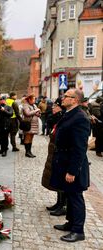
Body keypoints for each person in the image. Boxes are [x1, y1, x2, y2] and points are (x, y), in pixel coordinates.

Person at [50, 88, 90, 243]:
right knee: (69, 194)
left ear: (74, 100)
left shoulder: (80, 118)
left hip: (73, 165)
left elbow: (80, 148)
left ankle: (78, 230)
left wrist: (72, 171)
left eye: (66, 96)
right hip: (64, 162)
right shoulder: (69, 114)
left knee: (75, 196)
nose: (63, 98)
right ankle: (70, 223)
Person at [42, 97, 67, 216]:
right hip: (54, 153)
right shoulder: (56, 119)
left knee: (62, 180)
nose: (53, 107)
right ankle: (59, 202)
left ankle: (64, 205)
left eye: (55, 106)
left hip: (60, 154)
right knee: (57, 178)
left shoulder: (63, 118)